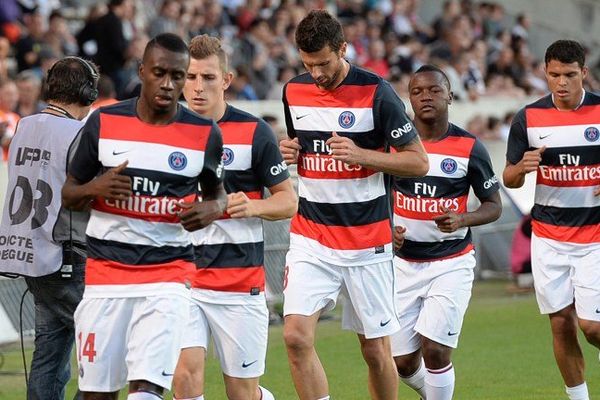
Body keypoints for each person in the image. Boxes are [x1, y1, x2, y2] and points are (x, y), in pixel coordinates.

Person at [61, 33, 226, 400]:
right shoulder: (103, 122)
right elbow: (69, 194)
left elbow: (218, 196)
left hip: (167, 277)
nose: (169, 84)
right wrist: (95, 189)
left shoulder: (204, 134)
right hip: (105, 277)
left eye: (178, 76)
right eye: (160, 73)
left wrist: (210, 209)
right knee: (97, 395)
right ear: (142, 72)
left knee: (146, 390)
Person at [279, 10, 429, 400]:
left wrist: (365, 156)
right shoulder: (293, 92)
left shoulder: (378, 92)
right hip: (311, 235)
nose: (316, 73)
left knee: (376, 350)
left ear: (343, 49)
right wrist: (291, 150)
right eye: (308, 64)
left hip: (367, 242)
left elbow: (418, 161)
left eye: (324, 63)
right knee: (295, 337)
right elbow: (304, 144)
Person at [172, 34, 297, 400]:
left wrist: (254, 205)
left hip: (239, 284)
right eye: (190, 77)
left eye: (208, 78)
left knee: (242, 393)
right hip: (182, 281)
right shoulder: (164, 132)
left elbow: (288, 202)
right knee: (184, 377)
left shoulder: (255, 132)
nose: (197, 87)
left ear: (226, 80)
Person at [391, 65, 502, 400]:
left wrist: (463, 219)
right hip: (402, 264)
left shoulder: (469, 147)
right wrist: (385, 227)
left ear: (450, 95)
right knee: (402, 362)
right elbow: (375, 193)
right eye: (417, 91)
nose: (426, 96)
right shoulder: (393, 146)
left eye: (434, 90)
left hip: (450, 262)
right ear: (408, 99)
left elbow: (493, 204)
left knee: (436, 351)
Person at [503, 39, 600, 400]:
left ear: (584, 74)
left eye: (570, 75)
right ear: (545, 72)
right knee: (560, 322)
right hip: (549, 237)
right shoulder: (527, 118)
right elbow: (509, 177)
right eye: (555, 74)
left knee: (592, 327)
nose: (561, 83)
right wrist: (522, 168)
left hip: (594, 236)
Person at [0, 56, 99, 400]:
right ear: (88, 92)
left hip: (32, 255)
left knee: (50, 355)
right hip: (67, 255)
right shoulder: (78, 134)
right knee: (109, 351)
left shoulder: (25, 126)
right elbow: (92, 194)